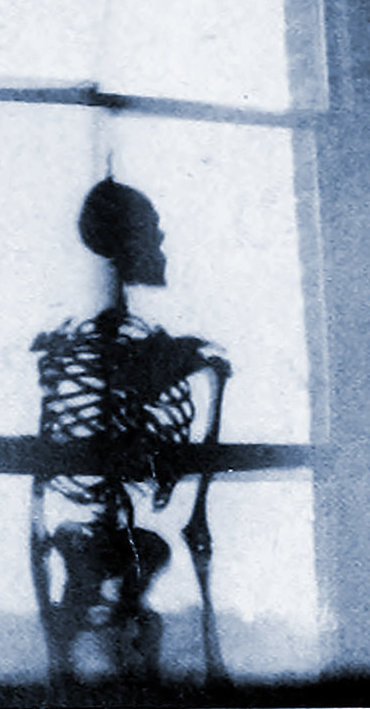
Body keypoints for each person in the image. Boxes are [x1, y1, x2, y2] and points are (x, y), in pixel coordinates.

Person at [30, 177, 230, 684]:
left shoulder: (77, 348)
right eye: (153, 233)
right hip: (97, 537)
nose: (161, 245)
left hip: (101, 537)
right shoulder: (131, 352)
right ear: (129, 240)